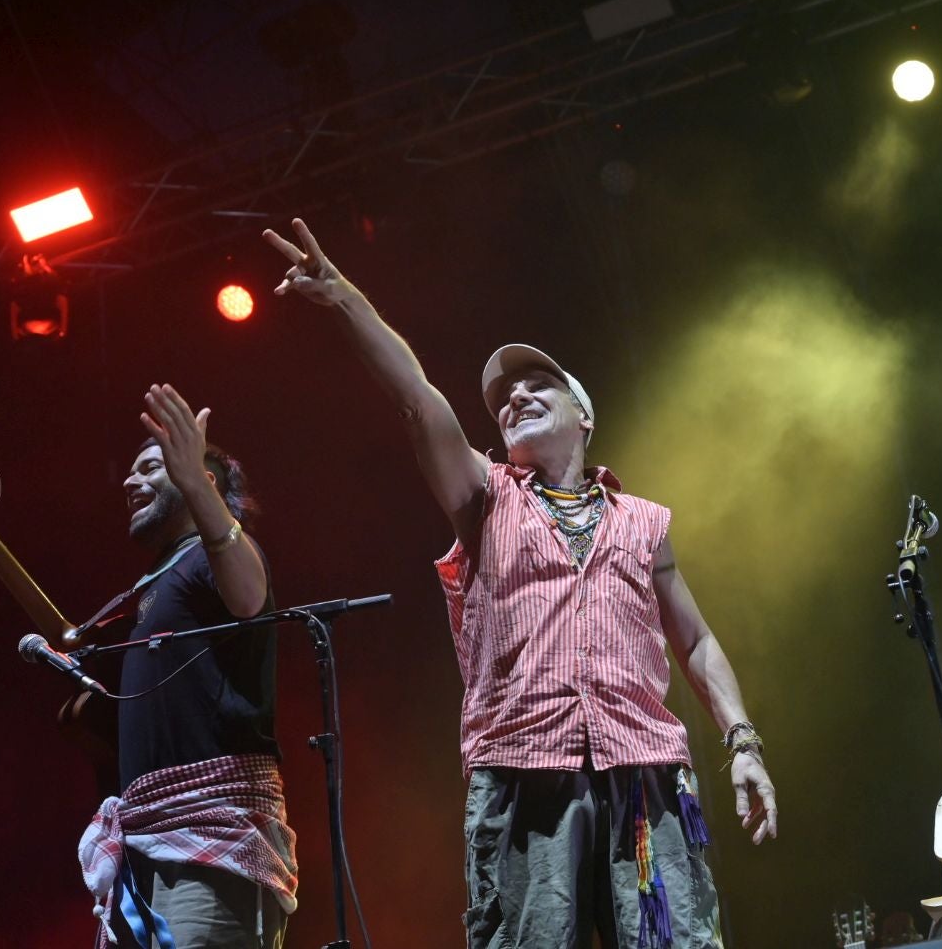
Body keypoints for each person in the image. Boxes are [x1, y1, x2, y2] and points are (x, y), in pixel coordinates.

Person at [264, 220, 777, 949]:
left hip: (646, 779)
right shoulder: (485, 495)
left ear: (585, 416)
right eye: (505, 397)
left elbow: (694, 641)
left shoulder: (645, 523)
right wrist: (345, 299)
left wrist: (743, 741)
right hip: (524, 770)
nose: (516, 397)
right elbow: (417, 400)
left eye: (540, 385)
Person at [69, 383, 298, 949]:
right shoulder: (153, 585)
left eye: (153, 466)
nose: (129, 481)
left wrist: (192, 480)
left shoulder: (212, 556)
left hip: (210, 839)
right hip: (145, 845)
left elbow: (247, 597)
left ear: (204, 481)